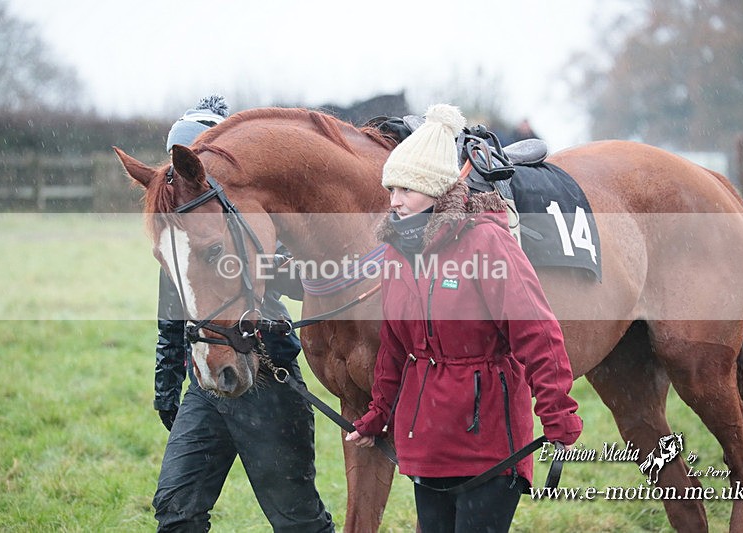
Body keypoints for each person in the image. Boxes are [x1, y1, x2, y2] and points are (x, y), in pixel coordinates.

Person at [345, 104, 582, 532]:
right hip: (427, 446)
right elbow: (396, 347)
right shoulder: (397, 251)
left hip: (489, 445)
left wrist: (558, 413)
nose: (394, 201)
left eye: (406, 189)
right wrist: (378, 414)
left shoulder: (486, 242)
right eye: (391, 189)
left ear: (436, 190)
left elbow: (537, 331)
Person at [152, 95, 334, 532]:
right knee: (176, 509)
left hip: (268, 379)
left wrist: (267, 266)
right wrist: (166, 384)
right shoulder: (183, 237)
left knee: (297, 521)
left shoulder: (262, 222)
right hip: (206, 384)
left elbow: (305, 282)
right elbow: (173, 317)